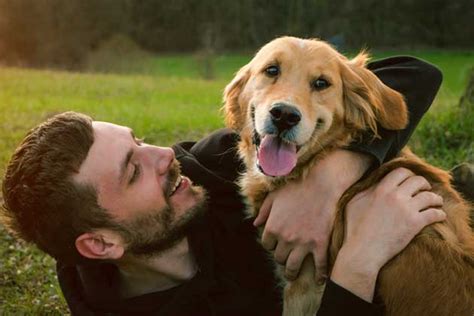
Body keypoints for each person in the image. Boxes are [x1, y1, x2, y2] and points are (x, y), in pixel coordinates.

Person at [1, 57, 445, 315]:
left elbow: (415, 74)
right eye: (133, 170)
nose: (165, 155)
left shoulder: (207, 167)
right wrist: (358, 264)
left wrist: (330, 179)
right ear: (100, 244)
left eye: (138, 140)